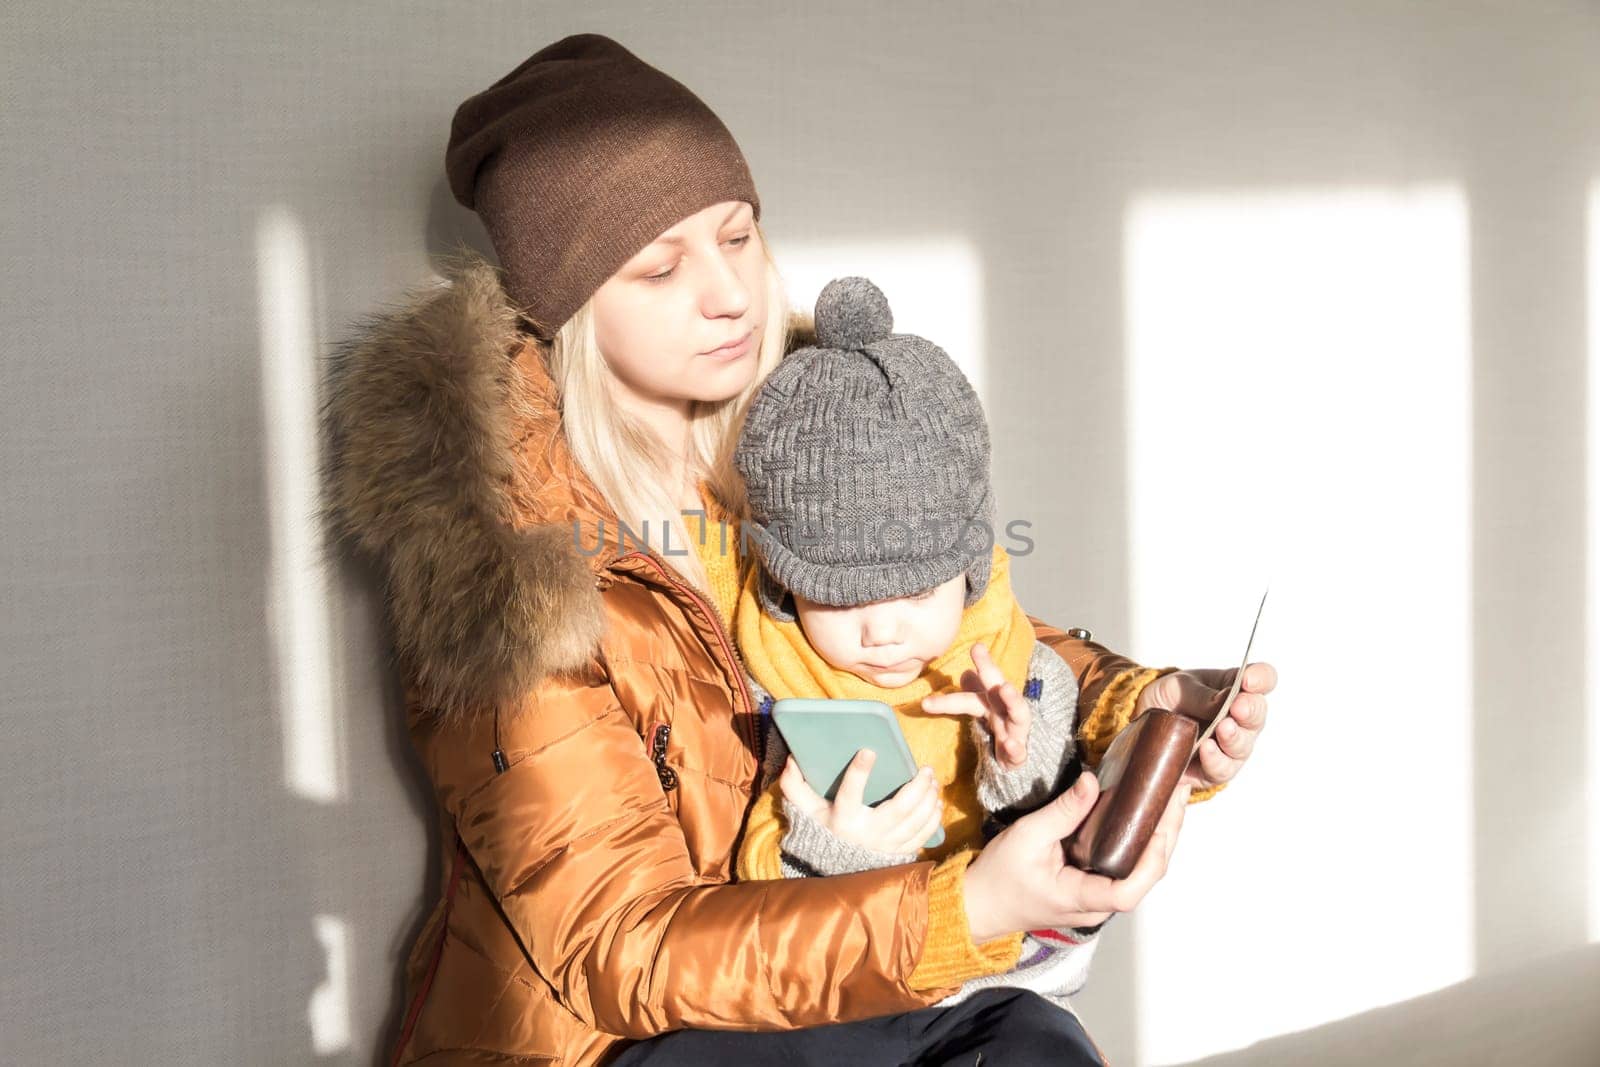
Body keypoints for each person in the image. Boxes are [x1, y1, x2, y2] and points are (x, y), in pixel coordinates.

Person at [321, 32, 1276, 1067]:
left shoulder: (795, 436)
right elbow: (620, 948)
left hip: (842, 982)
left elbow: (957, 632)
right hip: (616, 1037)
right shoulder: (506, 564)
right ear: (572, 308)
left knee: (1033, 1039)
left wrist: (1145, 707)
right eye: (659, 267)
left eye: (738, 235)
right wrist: (959, 904)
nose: (729, 292)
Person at [700, 274, 1229, 1017]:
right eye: (841, 597)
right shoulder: (782, 679)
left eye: (919, 592)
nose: (882, 630)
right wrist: (834, 845)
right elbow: (763, 893)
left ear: (969, 572)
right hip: (850, 1000)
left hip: (1009, 989)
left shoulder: (1004, 650)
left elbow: (1055, 800)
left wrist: (1017, 759)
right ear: (786, 585)